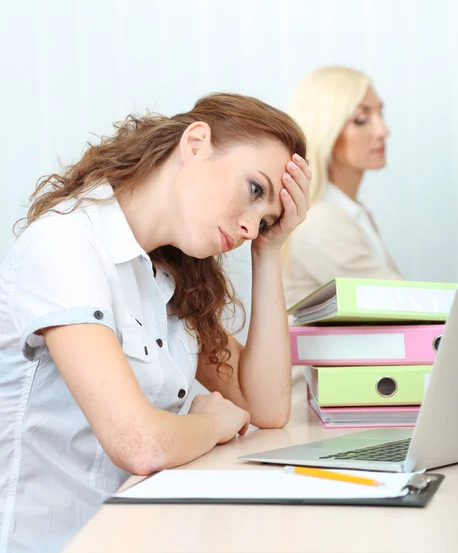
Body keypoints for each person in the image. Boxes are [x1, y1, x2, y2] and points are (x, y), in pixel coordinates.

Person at [0, 93, 311, 552]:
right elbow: (138, 444)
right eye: (254, 190)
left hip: (142, 534)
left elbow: (266, 408)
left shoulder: (171, 273)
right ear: (196, 143)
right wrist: (212, 424)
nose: (250, 228)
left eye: (264, 222)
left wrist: (270, 250)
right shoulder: (66, 247)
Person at [282, 66, 403, 311]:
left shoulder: (352, 213)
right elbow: (404, 303)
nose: (383, 131)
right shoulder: (319, 221)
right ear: (327, 129)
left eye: (380, 114)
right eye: (361, 119)